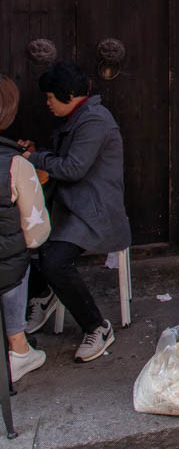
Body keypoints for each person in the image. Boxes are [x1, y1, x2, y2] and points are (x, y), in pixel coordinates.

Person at [20, 62, 130, 363]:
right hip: (71, 206)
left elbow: (72, 167)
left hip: (94, 212)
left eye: (50, 97)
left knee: (55, 261)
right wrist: (36, 153)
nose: (47, 103)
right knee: (28, 242)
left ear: (68, 95)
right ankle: (45, 295)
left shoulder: (95, 121)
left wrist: (34, 157)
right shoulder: (80, 117)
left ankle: (97, 326)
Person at [0, 76, 50, 382]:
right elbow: (36, 233)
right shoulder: (16, 165)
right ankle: (18, 347)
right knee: (16, 261)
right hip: (4, 273)